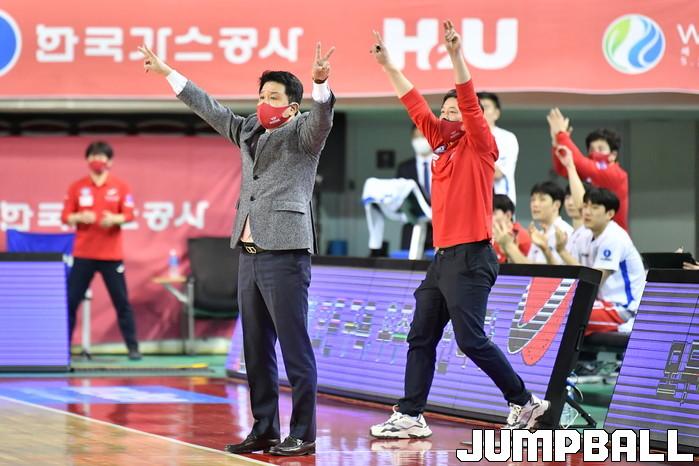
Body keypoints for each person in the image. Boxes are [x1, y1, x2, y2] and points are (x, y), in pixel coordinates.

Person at [139, 42, 335, 457]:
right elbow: (209, 108)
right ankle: (264, 429)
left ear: (292, 107)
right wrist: (168, 73)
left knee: (294, 346)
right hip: (248, 253)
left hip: (285, 252)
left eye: (273, 97)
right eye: (261, 95)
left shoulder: (304, 134)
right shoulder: (248, 130)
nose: (264, 103)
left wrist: (320, 84)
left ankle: (303, 432)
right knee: (255, 348)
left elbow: (322, 119)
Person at [368, 21, 550, 439]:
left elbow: (469, 100)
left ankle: (525, 401)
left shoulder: (480, 145)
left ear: (472, 119)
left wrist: (455, 55)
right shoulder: (442, 145)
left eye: (456, 112)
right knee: (421, 336)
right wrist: (389, 66)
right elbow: (415, 105)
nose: (448, 116)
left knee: (471, 340)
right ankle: (411, 415)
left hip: (471, 256)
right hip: (443, 259)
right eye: (444, 112)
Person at [60, 141, 141, 360]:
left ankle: (133, 348)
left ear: (110, 162)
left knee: (122, 303)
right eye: (94, 156)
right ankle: (62, 348)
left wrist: (115, 219)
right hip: (83, 254)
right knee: (70, 302)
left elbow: (130, 214)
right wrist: (79, 216)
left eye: (102, 157)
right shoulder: (77, 187)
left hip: (111, 256)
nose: (98, 161)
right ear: (87, 160)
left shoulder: (120, 186)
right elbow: (65, 216)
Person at [560, 188, 645, 335]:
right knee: (560, 311)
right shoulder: (586, 236)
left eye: (594, 207)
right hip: (600, 304)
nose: (587, 212)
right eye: (585, 206)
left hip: (624, 310)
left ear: (610, 214)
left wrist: (562, 252)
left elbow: (593, 280)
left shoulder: (614, 237)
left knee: (568, 314)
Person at [547, 108, 629, 231]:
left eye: (600, 149)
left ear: (613, 155)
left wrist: (561, 135)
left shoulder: (617, 175)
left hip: (612, 235)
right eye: (591, 149)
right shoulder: (588, 172)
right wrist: (556, 142)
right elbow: (562, 168)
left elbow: (579, 162)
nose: (594, 153)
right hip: (591, 234)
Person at [495, 181, 573, 264]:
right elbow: (531, 266)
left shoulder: (565, 232)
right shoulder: (539, 234)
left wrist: (509, 247)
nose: (535, 204)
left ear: (556, 205)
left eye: (542, 199)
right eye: (533, 199)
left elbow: (558, 269)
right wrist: (509, 252)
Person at [396, 125, 433, 250]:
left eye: (423, 136)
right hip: (413, 228)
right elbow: (400, 200)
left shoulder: (445, 164)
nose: (420, 140)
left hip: (440, 228)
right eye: (416, 137)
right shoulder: (404, 168)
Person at [478, 91, 519, 205]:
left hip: (502, 206)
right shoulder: (464, 138)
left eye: (485, 107)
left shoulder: (508, 138)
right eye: (478, 107)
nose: (481, 111)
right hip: (474, 203)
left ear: (496, 113)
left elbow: (496, 173)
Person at [491, 194, 530, 263]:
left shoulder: (523, 236)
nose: (489, 218)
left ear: (508, 215)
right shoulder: (489, 237)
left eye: (494, 213)